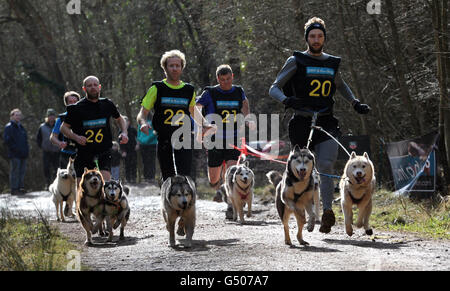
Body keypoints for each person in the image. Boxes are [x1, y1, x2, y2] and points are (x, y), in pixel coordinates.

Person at [269, 17, 371, 234]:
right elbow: (274, 88)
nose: (316, 40)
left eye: (320, 36)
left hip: (326, 121)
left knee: (325, 165)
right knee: (301, 171)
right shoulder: (296, 60)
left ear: (324, 38)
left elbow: (341, 85)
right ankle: (302, 209)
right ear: (307, 38)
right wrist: (287, 100)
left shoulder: (332, 62)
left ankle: (326, 212)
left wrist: (355, 103)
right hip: (301, 121)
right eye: (312, 36)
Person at [137, 49, 215, 181]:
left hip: (183, 136)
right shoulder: (157, 88)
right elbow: (142, 113)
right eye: (171, 65)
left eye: (177, 66)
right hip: (164, 135)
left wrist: (205, 124)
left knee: (184, 174)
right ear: (165, 68)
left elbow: (193, 111)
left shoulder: (188, 90)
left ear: (182, 68)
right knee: (168, 175)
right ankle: (167, 196)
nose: (174, 69)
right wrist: (143, 123)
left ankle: (184, 198)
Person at [196, 64, 256, 203]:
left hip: (233, 136)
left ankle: (230, 201)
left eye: (228, 79)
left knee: (232, 170)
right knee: (213, 178)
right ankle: (220, 186)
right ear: (217, 79)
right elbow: (196, 108)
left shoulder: (238, 91)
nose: (226, 82)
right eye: (222, 80)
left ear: (232, 77)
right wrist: (203, 125)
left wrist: (248, 119)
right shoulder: (209, 93)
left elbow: (244, 105)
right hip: (214, 138)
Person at [60, 76, 128, 183]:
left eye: (95, 85)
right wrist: (76, 137)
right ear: (84, 89)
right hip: (84, 153)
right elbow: (63, 128)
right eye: (89, 85)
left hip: (104, 151)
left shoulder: (107, 104)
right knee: (81, 188)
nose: (93, 88)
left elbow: (120, 119)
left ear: (100, 87)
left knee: (105, 184)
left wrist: (124, 132)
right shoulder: (76, 108)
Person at [50, 91, 81, 168]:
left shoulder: (85, 116)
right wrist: (59, 143)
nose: (73, 103)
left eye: (75, 101)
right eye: (70, 102)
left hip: (82, 153)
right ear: (66, 104)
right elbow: (53, 137)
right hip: (66, 154)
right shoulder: (61, 118)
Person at [3, 108, 29, 195]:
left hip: (23, 154)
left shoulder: (21, 127)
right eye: (16, 115)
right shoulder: (9, 127)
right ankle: (14, 189)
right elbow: (7, 141)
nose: (18, 117)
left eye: (19, 115)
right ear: (12, 116)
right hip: (14, 154)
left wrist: (26, 150)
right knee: (15, 172)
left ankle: (20, 188)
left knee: (22, 172)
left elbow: (25, 140)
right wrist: (15, 149)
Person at [36, 108, 61, 188]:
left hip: (57, 151)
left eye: (53, 116)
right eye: (50, 116)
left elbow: (61, 137)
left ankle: (55, 183)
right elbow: (38, 139)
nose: (51, 117)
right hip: (46, 151)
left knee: (56, 168)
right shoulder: (42, 127)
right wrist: (42, 146)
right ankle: (47, 183)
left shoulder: (59, 126)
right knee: (46, 168)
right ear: (47, 117)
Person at [137, 119, 158, 183]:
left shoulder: (153, 122)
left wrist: (148, 139)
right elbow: (139, 133)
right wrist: (139, 141)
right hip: (143, 145)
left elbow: (155, 132)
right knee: (145, 161)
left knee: (151, 161)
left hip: (152, 144)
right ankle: (146, 177)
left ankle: (151, 177)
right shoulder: (140, 123)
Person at [120, 116, 138, 183]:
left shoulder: (133, 129)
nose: (125, 123)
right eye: (123, 122)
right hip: (125, 151)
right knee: (127, 165)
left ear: (129, 122)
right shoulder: (121, 131)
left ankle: (134, 178)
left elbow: (138, 137)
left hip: (133, 150)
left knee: (134, 164)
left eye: (126, 122)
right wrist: (123, 151)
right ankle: (128, 179)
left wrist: (137, 144)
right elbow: (120, 143)